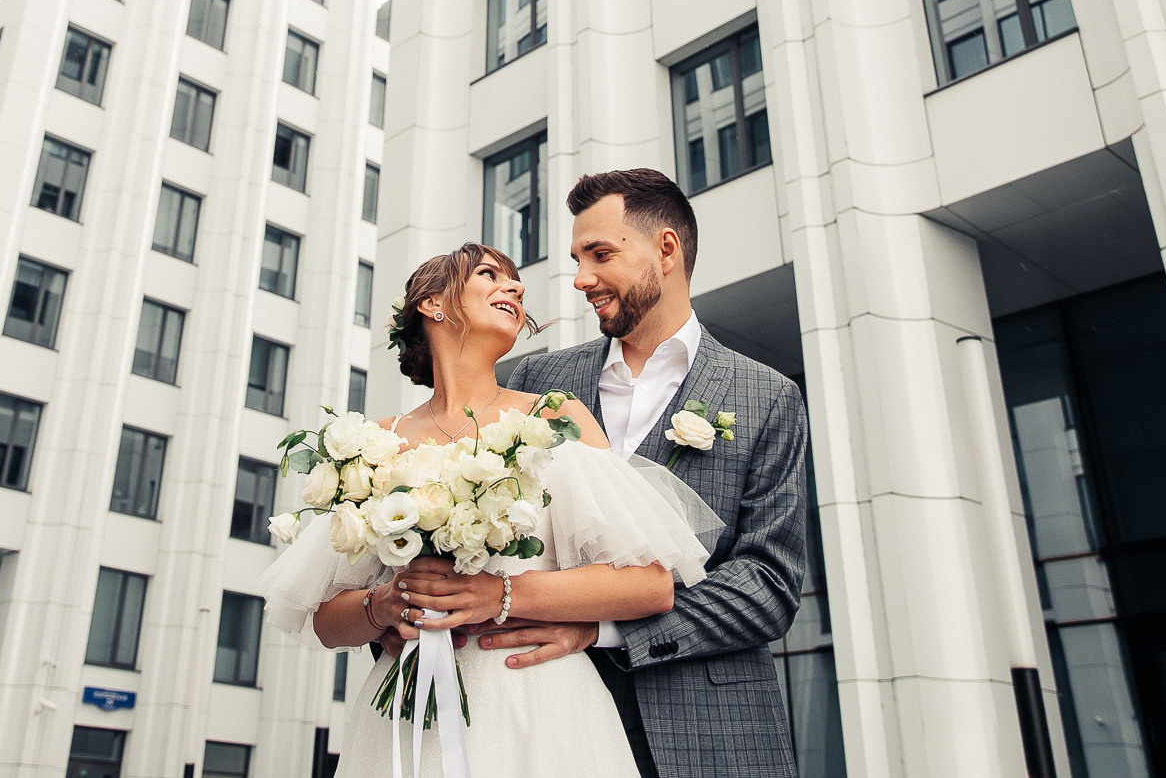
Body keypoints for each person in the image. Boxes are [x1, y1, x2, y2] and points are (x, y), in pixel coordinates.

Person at [256, 242, 720, 778]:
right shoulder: (376, 443)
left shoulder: (554, 418)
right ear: (432, 304)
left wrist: (498, 595)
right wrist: (383, 604)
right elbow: (324, 622)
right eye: (488, 274)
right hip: (408, 722)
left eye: (516, 281)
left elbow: (650, 585)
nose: (516, 287)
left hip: (538, 703)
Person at [491, 168, 810, 778]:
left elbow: (768, 584)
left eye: (600, 255)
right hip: (550, 720)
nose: (581, 279)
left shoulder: (767, 396)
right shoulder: (535, 383)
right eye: (577, 259)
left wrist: (603, 627)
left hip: (714, 736)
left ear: (666, 250)